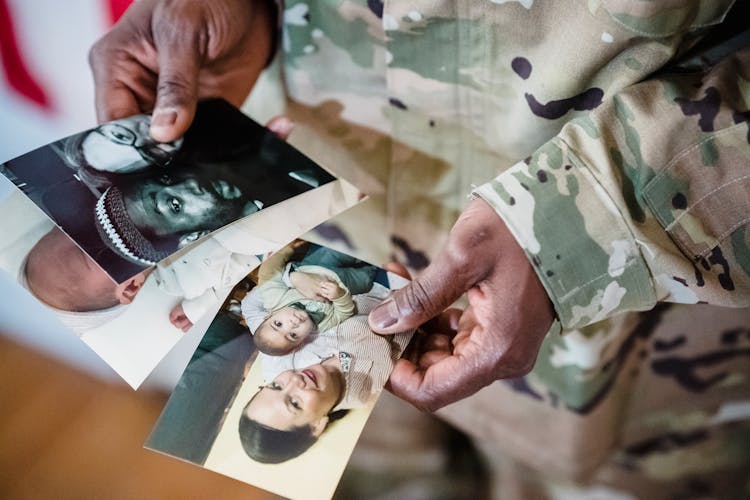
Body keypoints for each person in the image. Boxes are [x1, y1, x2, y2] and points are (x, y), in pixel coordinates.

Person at [90, 0, 750, 496]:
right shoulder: (308, 363)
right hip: (336, 185)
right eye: (293, 400)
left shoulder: (285, 322)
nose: (291, 381)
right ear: (318, 426)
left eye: (279, 391)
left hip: (631, 294)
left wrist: (573, 227)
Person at [238, 307, 411, 464]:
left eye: (276, 386)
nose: (295, 381)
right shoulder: (378, 379)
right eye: (295, 403)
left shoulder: (292, 354)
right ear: (316, 426)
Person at [241, 242, 378, 356]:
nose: (292, 324)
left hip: (317, 266)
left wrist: (286, 250)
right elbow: (345, 312)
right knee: (366, 279)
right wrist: (339, 296)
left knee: (340, 248)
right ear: (302, 341)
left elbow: (268, 273)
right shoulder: (321, 326)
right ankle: (375, 261)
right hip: (345, 283)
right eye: (293, 335)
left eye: (278, 324)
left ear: (269, 315)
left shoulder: (274, 300)